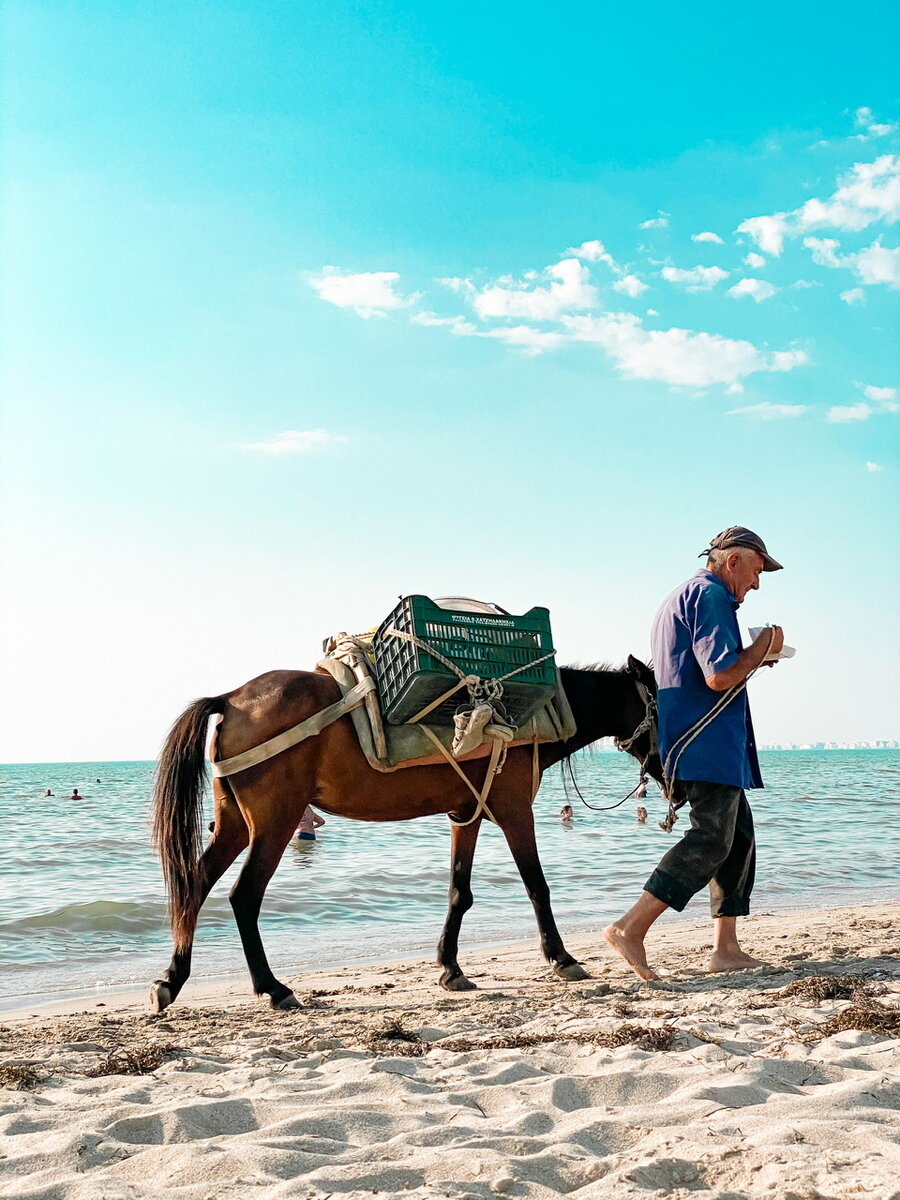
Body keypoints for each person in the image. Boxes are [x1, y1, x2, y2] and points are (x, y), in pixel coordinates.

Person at [603, 526, 785, 980]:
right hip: (704, 740)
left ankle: (726, 948)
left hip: (699, 738)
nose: (758, 584)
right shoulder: (711, 597)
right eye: (758, 571)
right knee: (711, 839)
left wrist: (757, 657)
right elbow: (720, 675)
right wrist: (765, 643)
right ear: (733, 561)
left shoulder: (683, 595)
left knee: (737, 839)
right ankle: (631, 927)